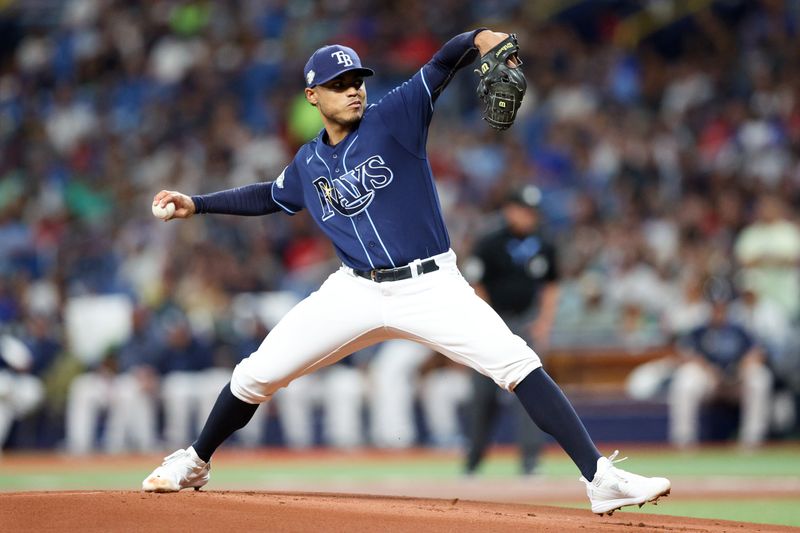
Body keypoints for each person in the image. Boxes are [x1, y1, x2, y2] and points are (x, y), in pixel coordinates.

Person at [141, 29, 671, 516]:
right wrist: (197, 203)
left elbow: (444, 61)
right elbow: (269, 197)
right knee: (255, 374)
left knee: (517, 361)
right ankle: (195, 460)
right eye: (339, 84)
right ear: (313, 97)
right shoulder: (308, 164)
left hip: (431, 285)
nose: (353, 90)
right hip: (354, 290)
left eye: (357, 81)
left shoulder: (395, 115)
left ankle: (599, 477)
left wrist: (482, 39)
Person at [461, 184, 557, 476]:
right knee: (482, 396)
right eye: (524, 210)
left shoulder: (543, 243)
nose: (529, 216)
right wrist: (490, 323)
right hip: (493, 324)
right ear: (509, 210)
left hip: (525, 324)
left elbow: (551, 285)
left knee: (531, 394)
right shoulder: (489, 242)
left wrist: (544, 322)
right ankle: (474, 460)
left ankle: (530, 461)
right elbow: (477, 286)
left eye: (533, 211)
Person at [668, 296, 773, 448]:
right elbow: (685, 354)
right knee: (685, 378)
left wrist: (744, 364)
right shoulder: (700, 331)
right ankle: (684, 440)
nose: (718, 311)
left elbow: (758, 352)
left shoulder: (739, 329)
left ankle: (752, 441)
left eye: (722, 307)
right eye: (715, 307)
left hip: (737, 381)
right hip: (710, 382)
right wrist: (708, 369)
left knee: (760, 377)